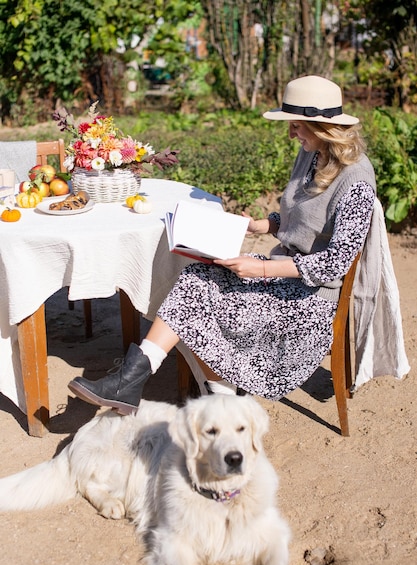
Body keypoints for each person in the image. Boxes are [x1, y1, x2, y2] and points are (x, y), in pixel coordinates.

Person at [68, 75, 377, 414]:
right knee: (194, 278)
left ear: (321, 127)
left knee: (201, 299)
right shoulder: (311, 153)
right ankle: (140, 378)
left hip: (309, 299)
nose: (290, 133)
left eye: (296, 125)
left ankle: (217, 393)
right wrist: (263, 224)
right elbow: (303, 218)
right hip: (282, 275)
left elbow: (337, 262)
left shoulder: (356, 179)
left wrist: (260, 267)